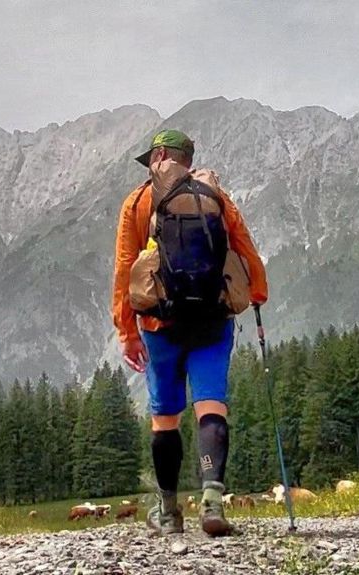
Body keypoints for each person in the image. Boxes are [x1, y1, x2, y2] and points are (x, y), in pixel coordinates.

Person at [111, 129, 268, 536]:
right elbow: (245, 249)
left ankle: (168, 512)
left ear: (160, 155)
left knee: (165, 418)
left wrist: (126, 328)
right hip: (212, 321)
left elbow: (126, 267)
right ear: (189, 159)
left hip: (160, 326)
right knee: (211, 407)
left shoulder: (139, 200)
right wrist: (257, 292)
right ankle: (213, 502)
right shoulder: (215, 196)